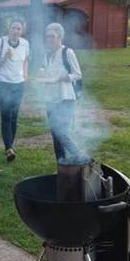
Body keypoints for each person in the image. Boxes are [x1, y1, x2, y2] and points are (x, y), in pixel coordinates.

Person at [41, 23, 83, 163]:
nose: (49, 39)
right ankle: (61, 165)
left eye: (52, 36)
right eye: (47, 36)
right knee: (55, 135)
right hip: (50, 99)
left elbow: (77, 74)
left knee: (62, 133)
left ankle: (81, 157)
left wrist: (64, 77)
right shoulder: (47, 54)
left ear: (60, 37)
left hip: (65, 98)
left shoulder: (67, 52)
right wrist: (42, 77)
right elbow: (47, 74)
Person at [0, 20, 29, 162]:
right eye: (13, 28)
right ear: (9, 28)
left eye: (19, 28)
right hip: (2, 84)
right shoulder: (0, 42)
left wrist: (25, 75)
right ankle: (8, 148)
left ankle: (10, 145)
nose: (16, 31)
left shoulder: (25, 44)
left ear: (22, 30)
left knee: (14, 116)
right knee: (6, 115)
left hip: (18, 85)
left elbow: (25, 61)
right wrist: (4, 58)